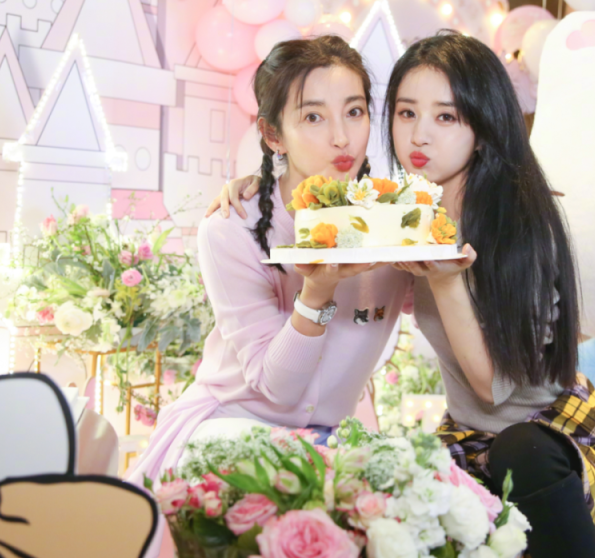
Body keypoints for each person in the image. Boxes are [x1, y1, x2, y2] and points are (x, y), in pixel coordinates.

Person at [211, 32, 595, 558]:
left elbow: (494, 390)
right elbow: (330, 210)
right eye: (407, 112)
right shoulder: (407, 216)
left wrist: (446, 279)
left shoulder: (518, 224)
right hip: (467, 444)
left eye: (447, 117)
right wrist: (265, 182)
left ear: (483, 127)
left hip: (550, 446)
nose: (419, 135)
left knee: (521, 450)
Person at [130, 35, 410, 493]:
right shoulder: (231, 228)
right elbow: (277, 389)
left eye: (355, 111)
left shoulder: (398, 225)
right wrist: (316, 294)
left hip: (325, 449)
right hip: (232, 433)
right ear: (273, 135)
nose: (342, 137)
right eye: (313, 116)